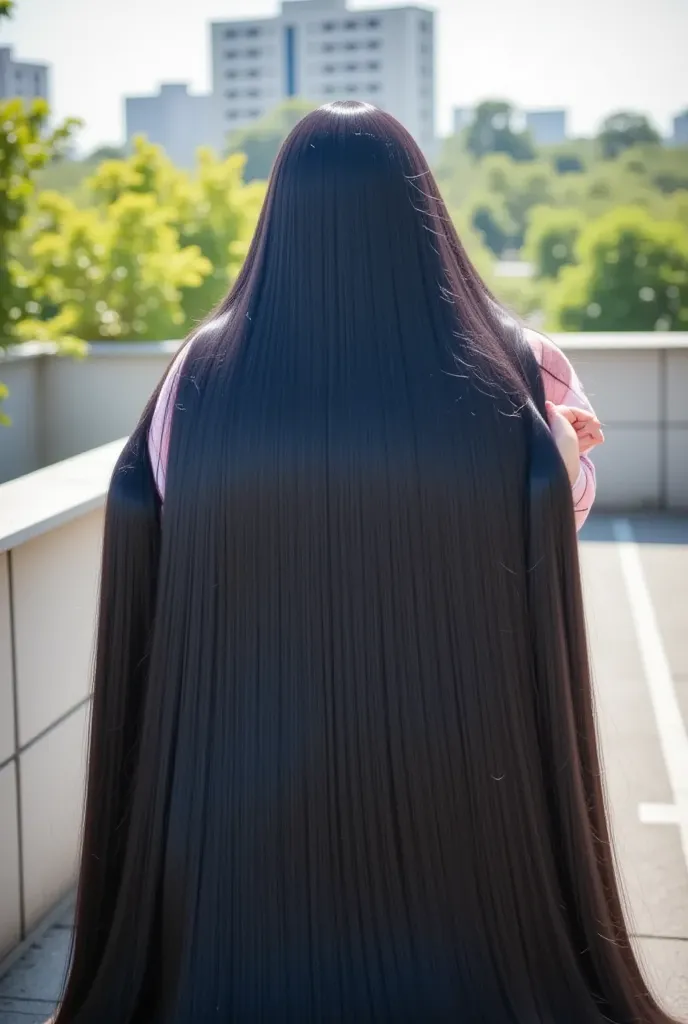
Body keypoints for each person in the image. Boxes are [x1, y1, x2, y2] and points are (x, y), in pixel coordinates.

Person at [52, 102, 675, 1024]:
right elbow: (554, 520)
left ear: (279, 217)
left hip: (251, 766)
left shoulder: (202, 372)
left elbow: (171, 512)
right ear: (423, 213)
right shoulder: (518, 359)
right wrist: (567, 459)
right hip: (464, 748)